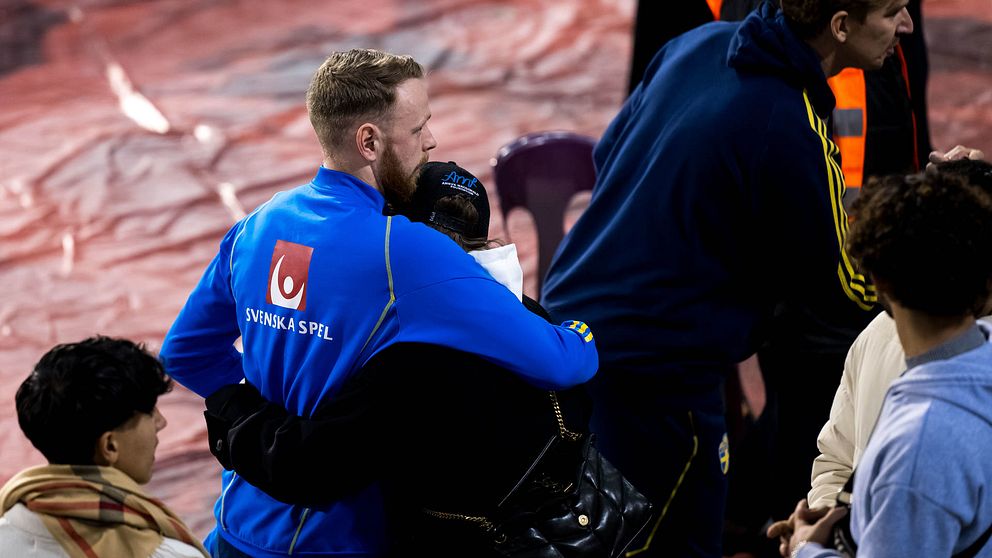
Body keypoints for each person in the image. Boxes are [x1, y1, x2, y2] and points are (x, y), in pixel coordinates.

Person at [158, 49, 599, 558]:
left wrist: (257, 421)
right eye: (418, 129)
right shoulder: (407, 251)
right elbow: (561, 362)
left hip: (238, 527)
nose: (431, 142)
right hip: (340, 541)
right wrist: (584, 331)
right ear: (368, 140)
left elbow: (186, 353)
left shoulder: (259, 224)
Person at [541, 1, 918, 555]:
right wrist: (924, 226)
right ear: (841, 26)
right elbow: (841, 288)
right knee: (677, 541)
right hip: (660, 373)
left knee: (604, 532)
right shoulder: (790, 120)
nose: (907, 26)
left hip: (569, 328)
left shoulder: (697, 43)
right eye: (892, 12)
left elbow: (609, 154)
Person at [202, 161, 612, 556]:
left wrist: (230, 411)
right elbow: (576, 375)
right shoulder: (530, 320)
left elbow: (312, 466)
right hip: (588, 530)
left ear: (402, 239)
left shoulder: (413, 362)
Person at [782, 168, 992, 557]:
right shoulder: (977, 359)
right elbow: (837, 458)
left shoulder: (919, 449)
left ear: (878, 280)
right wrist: (837, 523)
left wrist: (805, 550)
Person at [0, 336, 207, 558]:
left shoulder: (6, 528)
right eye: (150, 411)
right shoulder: (166, 553)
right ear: (109, 446)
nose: (161, 422)